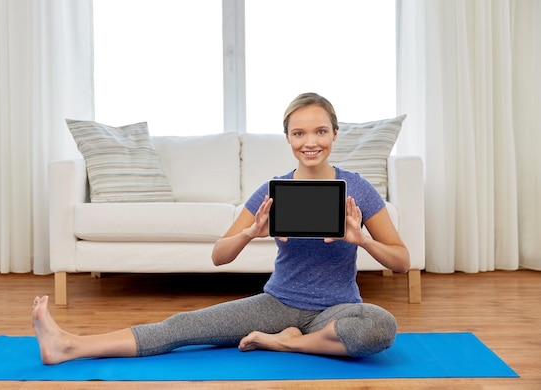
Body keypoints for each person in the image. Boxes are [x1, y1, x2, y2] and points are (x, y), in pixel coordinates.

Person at [32, 92, 410, 365]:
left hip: (338, 310)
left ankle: (289, 344)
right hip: (276, 304)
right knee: (182, 326)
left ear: (334, 134)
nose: (310, 142)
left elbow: (402, 262)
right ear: (289, 139)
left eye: (320, 132)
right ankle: (69, 345)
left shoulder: (356, 189)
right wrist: (249, 234)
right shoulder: (272, 190)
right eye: (299, 133)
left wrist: (361, 240)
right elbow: (218, 255)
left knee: (379, 327)